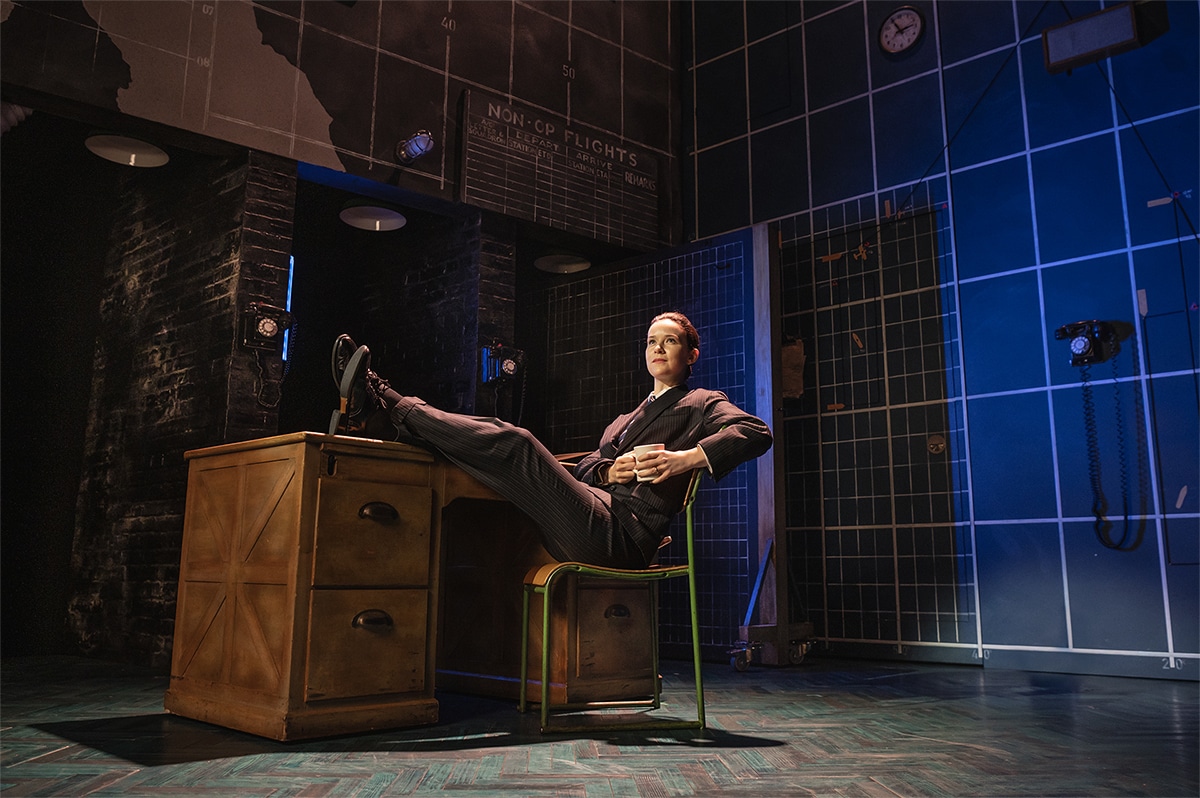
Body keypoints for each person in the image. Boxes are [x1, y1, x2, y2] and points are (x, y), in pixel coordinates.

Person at [335, 311, 772, 569]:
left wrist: (686, 459)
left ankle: (389, 403)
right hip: (594, 511)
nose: (657, 349)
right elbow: (586, 468)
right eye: (651, 341)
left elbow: (755, 432)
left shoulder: (700, 402)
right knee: (482, 465)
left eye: (670, 341)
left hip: (622, 537)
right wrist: (608, 470)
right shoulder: (623, 421)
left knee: (518, 444)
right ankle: (385, 421)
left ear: (691, 354)